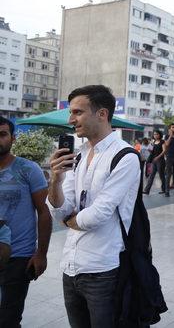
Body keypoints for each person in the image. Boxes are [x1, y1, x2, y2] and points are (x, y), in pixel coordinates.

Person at [48, 85, 141, 327]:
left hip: (102, 269)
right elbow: (59, 207)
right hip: (70, 265)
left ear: (102, 114)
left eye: (77, 112)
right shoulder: (78, 155)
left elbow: (99, 214)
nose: (71, 119)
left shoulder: (125, 156)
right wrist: (55, 180)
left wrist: (69, 220)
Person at [0, 116, 52, 327]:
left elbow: (44, 212)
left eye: (2, 134)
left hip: (18, 256)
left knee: (8, 318)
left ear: (13, 138)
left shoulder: (28, 169)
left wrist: (41, 253)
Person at [144, 130, 167, 195]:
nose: (155, 135)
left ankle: (164, 189)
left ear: (160, 135)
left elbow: (164, 151)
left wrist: (158, 157)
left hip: (160, 161)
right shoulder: (153, 142)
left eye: (157, 134)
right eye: (154, 134)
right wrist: (150, 150)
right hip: (154, 160)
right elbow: (152, 151)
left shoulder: (162, 142)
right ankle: (147, 190)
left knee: (161, 176)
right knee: (151, 175)